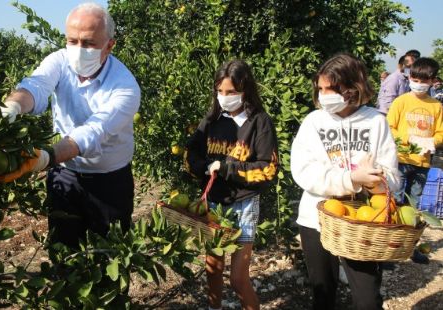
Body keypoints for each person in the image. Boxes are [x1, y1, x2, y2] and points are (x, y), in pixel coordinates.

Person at [0, 3, 141, 247]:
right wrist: (12, 107)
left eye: (89, 43)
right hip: (64, 173)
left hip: (109, 181)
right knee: (64, 251)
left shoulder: (125, 87)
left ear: (109, 45)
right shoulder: (59, 61)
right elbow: (35, 86)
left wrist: (45, 157)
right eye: (72, 41)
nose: (79, 49)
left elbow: (92, 132)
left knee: (110, 256)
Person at [291, 53, 400, 310]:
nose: (323, 94)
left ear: (352, 88)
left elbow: (392, 178)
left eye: (331, 88)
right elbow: (303, 172)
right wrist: (350, 178)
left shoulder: (376, 122)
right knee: (323, 295)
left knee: (367, 300)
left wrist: (374, 182)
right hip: (316, 219)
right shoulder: (313, 122)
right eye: (320, 88)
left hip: (363, 222)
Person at [185, 59, 278, 310]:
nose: (224, 97)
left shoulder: (260, 123)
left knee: (237, 279)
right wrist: (202, 166)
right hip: (215, 203)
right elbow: (190, 151)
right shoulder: (213, 119)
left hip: (243, 204)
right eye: (220, 92)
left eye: (231, 92)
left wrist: (227, 168)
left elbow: (268, 169)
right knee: (213, 269)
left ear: (245, 91)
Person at [386, 57, 443, 263]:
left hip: (422, 163)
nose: (418, 83)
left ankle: (410, 247)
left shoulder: (436, 106)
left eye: (423, 80)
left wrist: (432, 142)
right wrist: (405, 140)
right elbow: (390, 126)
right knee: (396, 202)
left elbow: (440, 132)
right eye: (415, 78)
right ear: (410, 77)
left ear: (432, 81)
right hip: (401, 160)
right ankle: (390, 249)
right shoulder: (401, 101)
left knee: (415, 205)